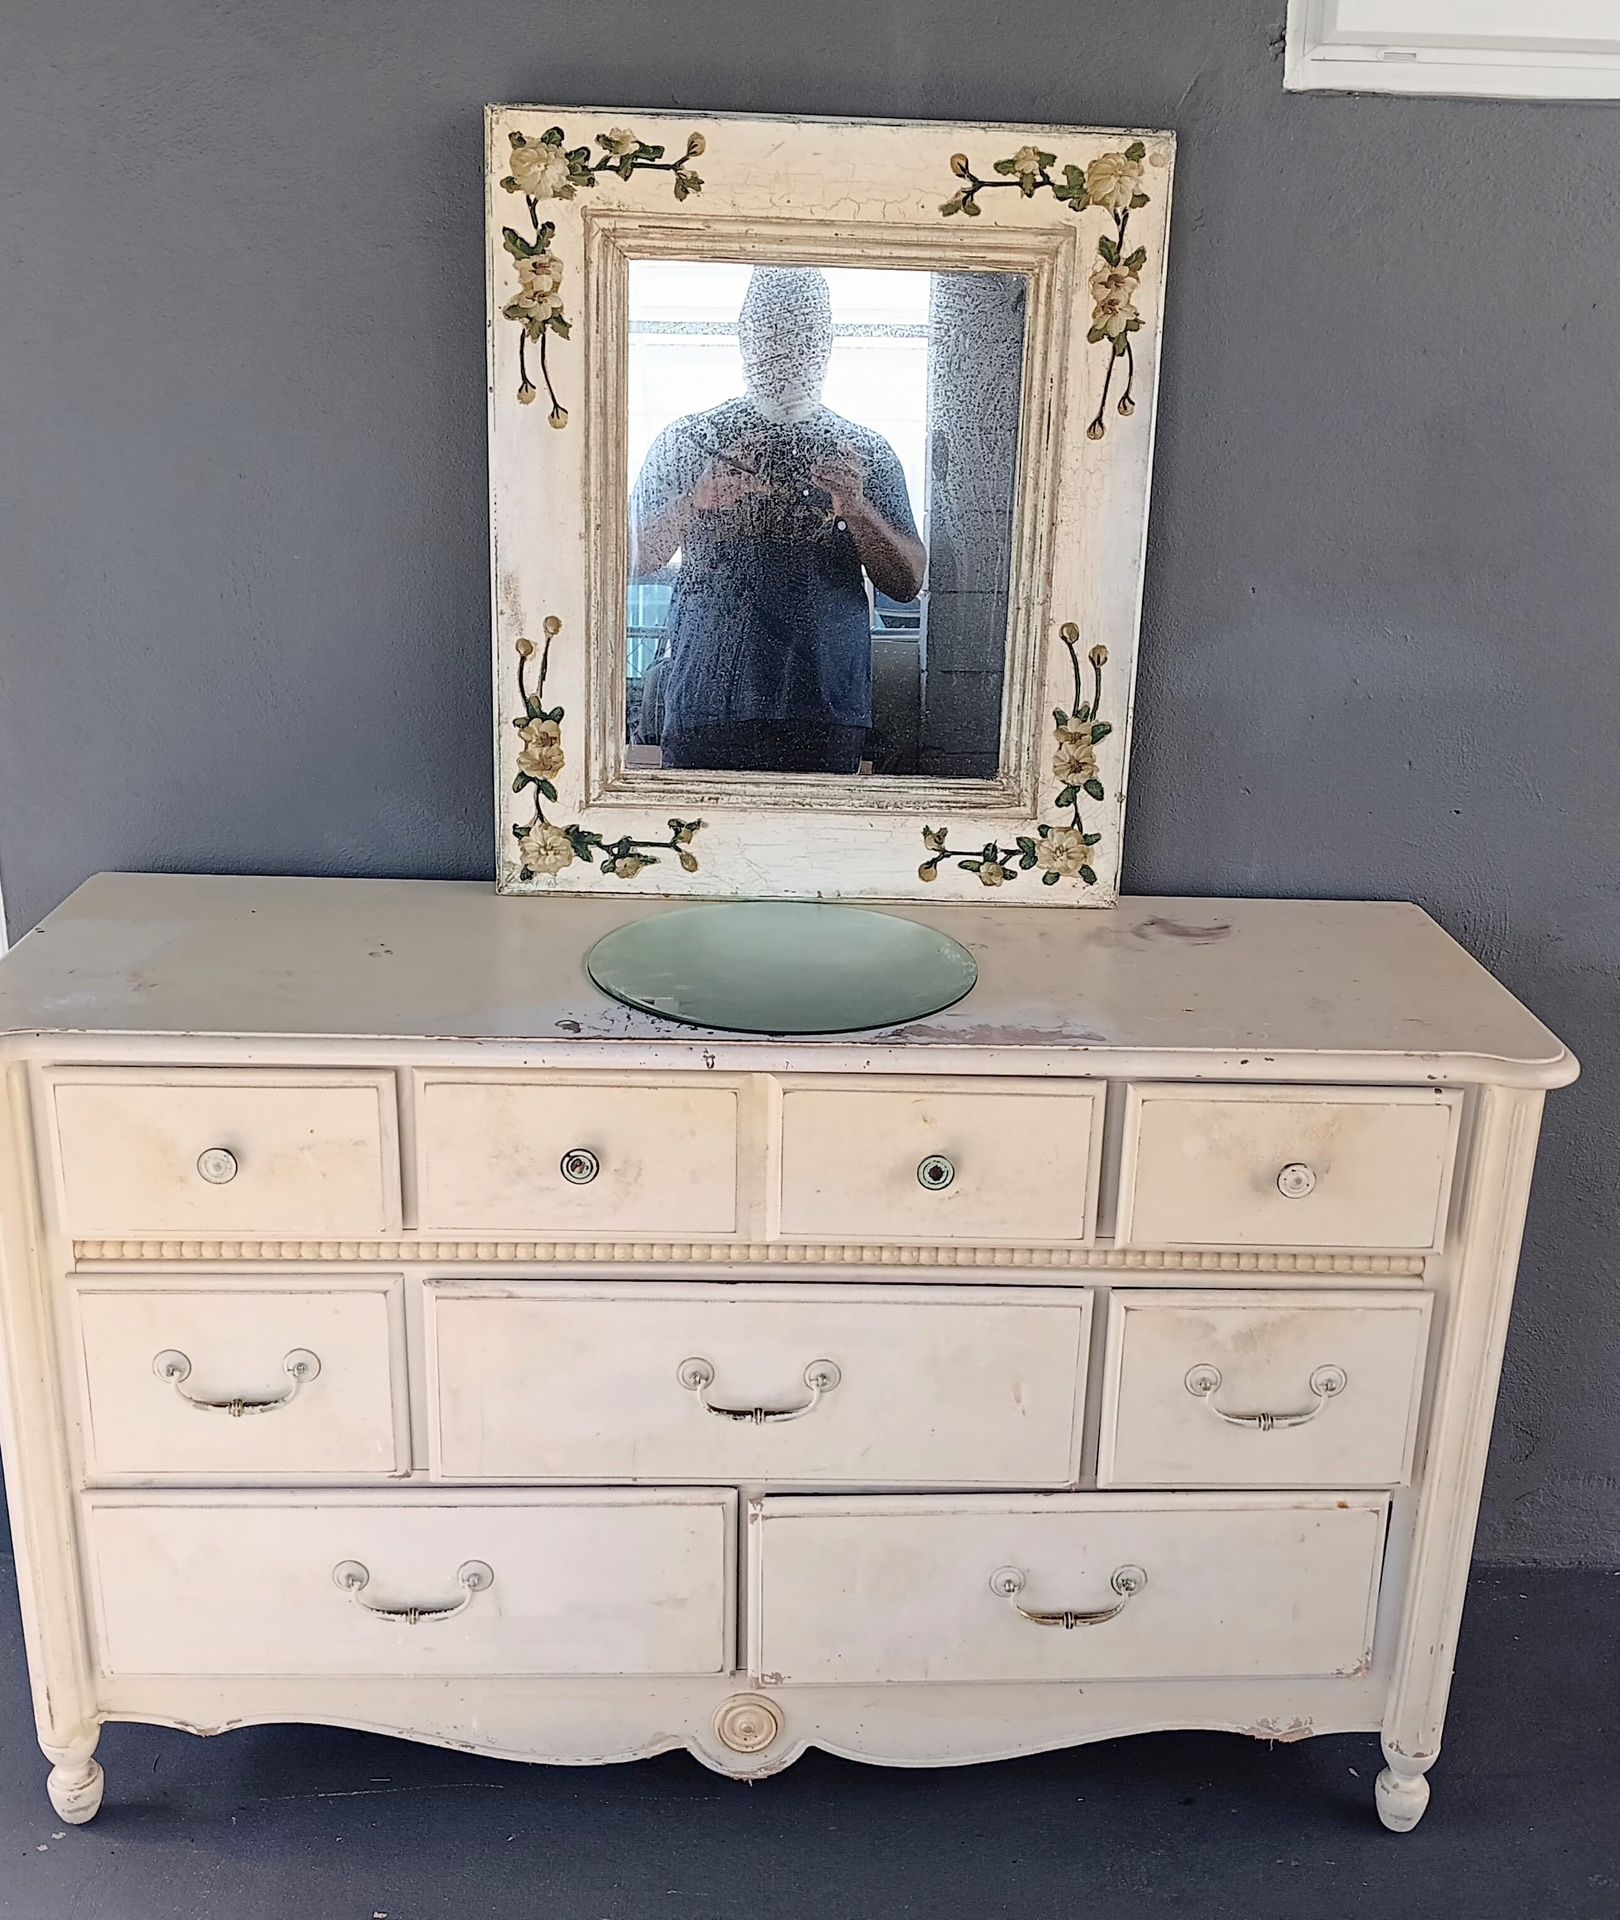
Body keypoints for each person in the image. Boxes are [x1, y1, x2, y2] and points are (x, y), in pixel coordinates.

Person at [629, 267, 926, 774]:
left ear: (827, 341)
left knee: (814, 852)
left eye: (805, 331)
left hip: (823, 705)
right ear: (744, 335)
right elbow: (632, 559)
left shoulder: (864, 452)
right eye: (771, 329)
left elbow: (906, 584)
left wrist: (856, 508)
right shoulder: (690, 440)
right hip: (709, 700)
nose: (787, 347)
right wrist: (694, 500)